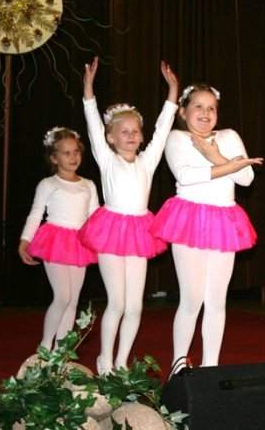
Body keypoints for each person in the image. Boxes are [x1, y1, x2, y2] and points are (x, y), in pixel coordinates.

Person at [153, 83, 263, 370]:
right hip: (189, 220)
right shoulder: (177, 137)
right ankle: (178, 366)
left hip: (223, 221)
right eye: (198, 106)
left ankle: (210, 367)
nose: (205, 113)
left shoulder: (229, 136)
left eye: (211, 108)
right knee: (192, 299)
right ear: (183, 111)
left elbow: (247, 179)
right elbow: (185, 176)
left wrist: (216, 157)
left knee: (216, 301)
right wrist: (230, 166)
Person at [80, 56, 179, 374]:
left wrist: (172, 93)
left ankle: (122, 362)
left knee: (135, 306)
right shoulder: (107, 159)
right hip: (110, 230)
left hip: (139, 231)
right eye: (124, 131)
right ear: (111, 137)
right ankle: (105, 360)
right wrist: (88, 89)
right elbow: (92, 124)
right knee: (118, 302)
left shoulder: (147, 161)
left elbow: (162, 132)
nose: (132, 135)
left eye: (135, 131)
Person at [19, 127, 98, 350]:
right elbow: (36, 213)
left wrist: (101, 241)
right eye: (66, 153)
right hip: (55, 241)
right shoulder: (48, 184)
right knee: (63, 296)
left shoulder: (88, 185)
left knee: (73, 299)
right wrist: (25, 240)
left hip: (80, 243)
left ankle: (61, 351)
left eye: (76, 152)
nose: (73, 157)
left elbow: (94, 216)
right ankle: (45, 346)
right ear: (54, 158)